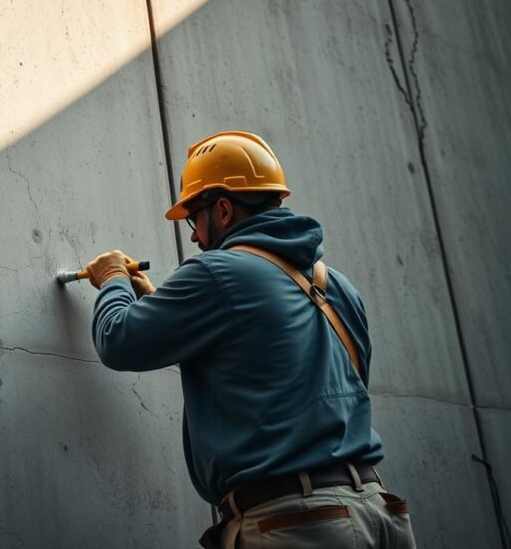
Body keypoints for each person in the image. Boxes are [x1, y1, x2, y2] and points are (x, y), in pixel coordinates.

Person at [84, 131, 416, 548]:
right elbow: (298, 377)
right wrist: (179, 315)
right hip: (379, 514)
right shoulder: (340, 288)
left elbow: (117, 338)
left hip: (300, 524)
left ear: (222, 209)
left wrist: (113, 277)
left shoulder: (216, 272)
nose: (193, 236)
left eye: (193, 218)